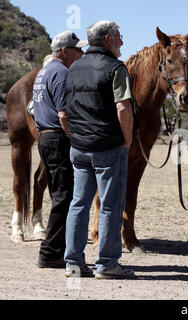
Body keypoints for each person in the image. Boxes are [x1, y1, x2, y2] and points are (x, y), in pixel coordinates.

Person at [64, 20, 134, 279]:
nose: (122, 42)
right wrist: (126, 140)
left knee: (78, 204)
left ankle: (72, 261)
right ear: (107, 39)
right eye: (119, 36)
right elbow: (123, 107)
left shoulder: (74, 67)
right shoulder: (116, 68)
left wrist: (75, 136)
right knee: (110, 205)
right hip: (107, 146)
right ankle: (106, 264)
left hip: (79, 147)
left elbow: (65, 111)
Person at [34, 31, 87, 269]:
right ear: (65, 51)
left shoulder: (43, 72)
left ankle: (56, 250)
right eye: (77, 50)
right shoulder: (63, 73)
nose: (81, 53)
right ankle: (50, 253)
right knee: (64, 196)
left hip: (45, 137)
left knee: (59, 194)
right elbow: (64, 114)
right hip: (58, 138)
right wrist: (73, 135)